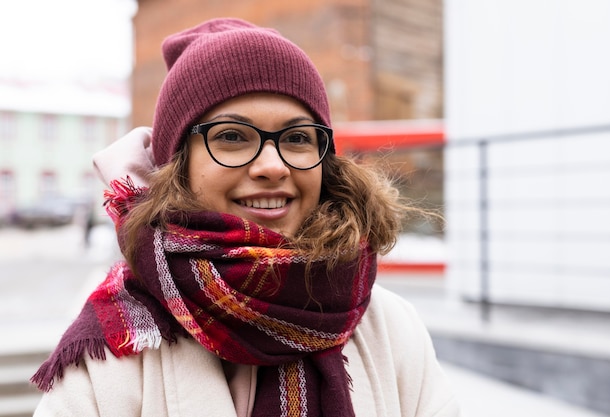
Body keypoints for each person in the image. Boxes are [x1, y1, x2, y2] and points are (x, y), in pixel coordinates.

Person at [31, 17, 460, 417]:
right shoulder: (119, 335)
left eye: (296, 137)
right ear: (177, 165)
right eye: (233, 136)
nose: (273, 166)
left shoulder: (391, 326)